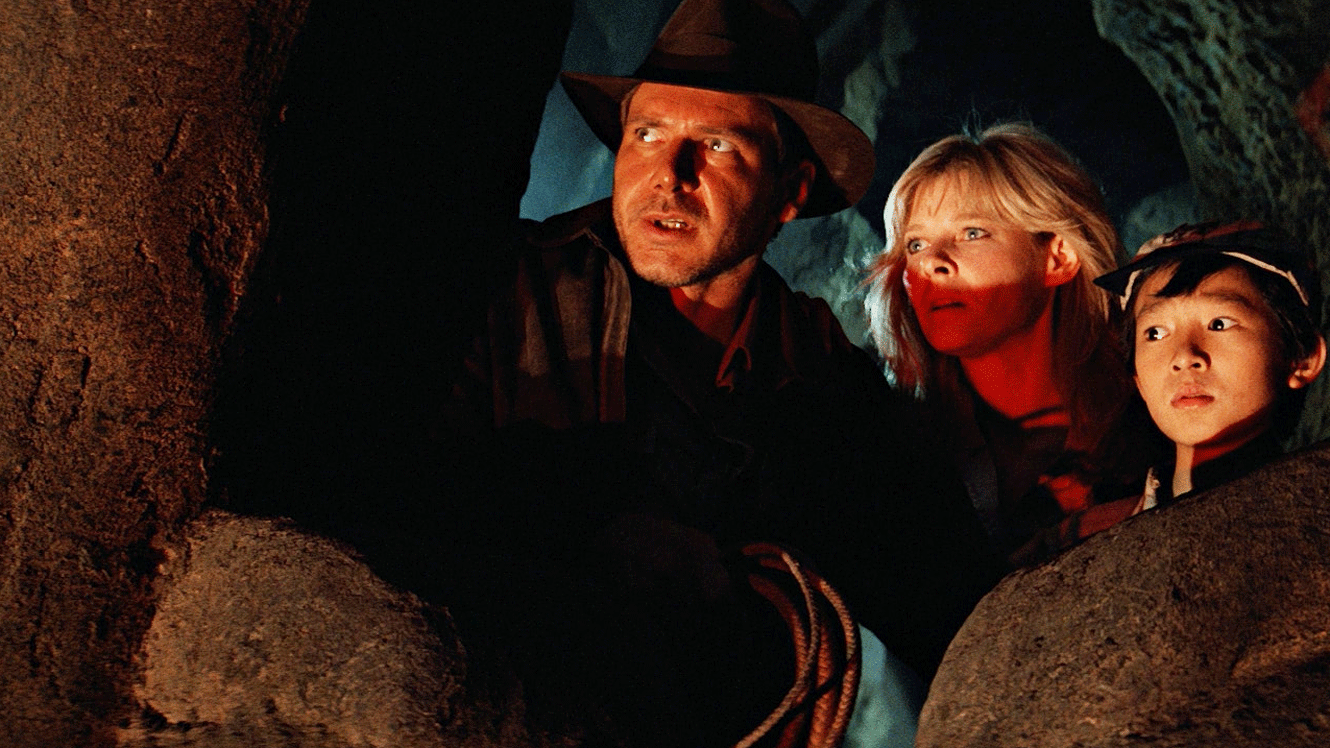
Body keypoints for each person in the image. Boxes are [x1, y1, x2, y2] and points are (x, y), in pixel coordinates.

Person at [442, 0, 1000, 745]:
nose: (668, 176)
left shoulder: (826, 381)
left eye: (715, 145)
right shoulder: (508, 289)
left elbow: (948, 605)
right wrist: (589, 529)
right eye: (646, 134)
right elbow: (391, 485)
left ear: (790, 193)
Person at [864, 123, 1158, 568]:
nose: (933, 262)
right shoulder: (891, 445)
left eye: (972, 232)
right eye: (916, 243)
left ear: (1057, 257)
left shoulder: (1156, 411)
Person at [1091, 220, 1326, 514]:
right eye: (1155, 333)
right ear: (1137, 378)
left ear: (1302, 358)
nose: (1184, 356)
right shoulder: (1089, 533)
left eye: (1219, 324)